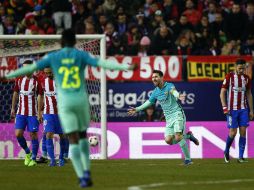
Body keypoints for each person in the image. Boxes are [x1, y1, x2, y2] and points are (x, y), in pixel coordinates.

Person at [4, 29, 136, 188]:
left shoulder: (53, 57)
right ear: (74, 42)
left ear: (61, 43)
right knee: (81, 136)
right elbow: (103, 63)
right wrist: (125, 68)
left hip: (65, 103)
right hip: (80, 100)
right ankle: (87, 171)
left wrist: (11, 75)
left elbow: (29, 69)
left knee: (72, 138)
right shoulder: (81, 55)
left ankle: (82, 177)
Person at [128, 70, 199, 165]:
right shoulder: (155, 92)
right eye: (153, 77)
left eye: (156, 77)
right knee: (168, 140)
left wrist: (178, 96)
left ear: (162, 78)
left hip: (177, 114)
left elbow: (173, 91)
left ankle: (188, 160)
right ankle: (188, 136)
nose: (154, 79)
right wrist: (137, 109)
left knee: (178, 137)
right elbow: (148, 102)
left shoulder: (169, 86)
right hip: (168, 118)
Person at [220, 59, 253, 163]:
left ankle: (240, 157)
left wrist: (251, 110)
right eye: (239, 68)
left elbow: (249, 94)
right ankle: (226, 150)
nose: (241, 70)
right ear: (235, 67)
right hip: (231, 110)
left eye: (243, 68)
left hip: (243, 109)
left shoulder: (247, 78)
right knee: (233, 133)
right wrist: (224, 107)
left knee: (243, 131)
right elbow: (222, 93)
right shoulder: (229, 77)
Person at [11, 59, 42, 167]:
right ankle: (28, 153)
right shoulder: (19, 79)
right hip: (21, 112)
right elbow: (15, 93)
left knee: (33, 134)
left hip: (32, 113)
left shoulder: (37, 81)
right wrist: (12, 108)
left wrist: (39, 113)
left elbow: (39, 97)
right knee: (18, 134)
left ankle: (33, 158)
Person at [37, 67, 69, 166]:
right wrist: (39, 112)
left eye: (50, 72)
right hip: (48, 113)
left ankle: (62, 158)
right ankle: (52, 160)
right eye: (46, 73)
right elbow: (41, 97)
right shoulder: (42, 82)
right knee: (48, 134)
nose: (48, 75)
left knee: (63, 135)